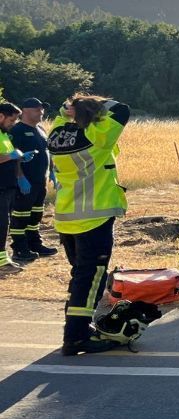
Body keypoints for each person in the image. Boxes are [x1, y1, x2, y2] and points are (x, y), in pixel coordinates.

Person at [47, 94, 130, 355]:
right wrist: (95, 106)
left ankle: (76, 328)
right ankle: (77, 337)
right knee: (90, 281)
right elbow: (121, 109)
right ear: (93, 116)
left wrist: (74, 107)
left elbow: (62, 111)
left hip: (66, 219)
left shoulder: (57, 134)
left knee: (81, 277)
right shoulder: (98, 136)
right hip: (94, 219)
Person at [10, 98, 57, 261]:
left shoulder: (41, 129)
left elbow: (48, 152)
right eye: (37, 109)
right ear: (25, 111)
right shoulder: (16, 131)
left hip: (40, 181)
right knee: (21, 215)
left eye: (42, 109)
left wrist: (52, 171)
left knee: (36, 214)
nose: (41, 112)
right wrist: (20, 177)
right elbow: (14, 158)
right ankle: (19, 248)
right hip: (25, 182)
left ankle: (34, 243)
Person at [0, 103, 35, 270]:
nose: (13, 124)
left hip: (7, 185)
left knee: (4, 222)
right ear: (1, 116)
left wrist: (20, 158)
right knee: (1, 223)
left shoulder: (4, 134)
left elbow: (7, 156)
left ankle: (2, 258)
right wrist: (11, 156)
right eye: (11, 120)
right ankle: (1, 262)